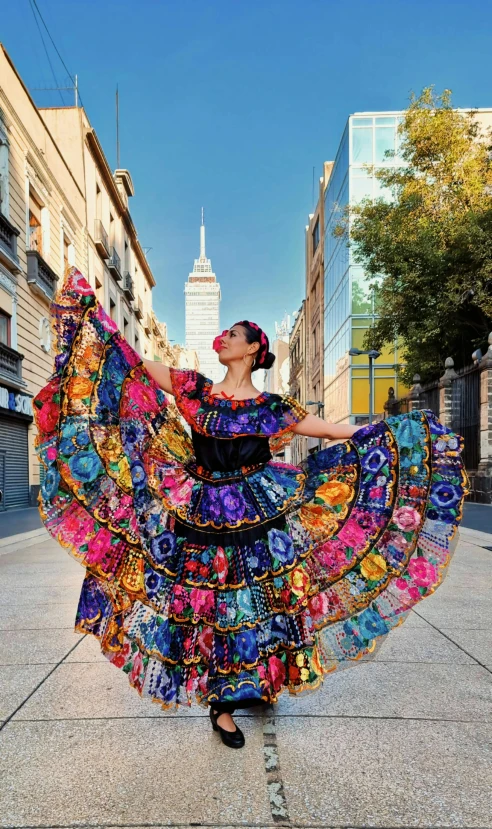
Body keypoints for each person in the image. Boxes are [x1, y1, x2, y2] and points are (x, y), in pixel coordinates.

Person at [34, 267, 467, 750]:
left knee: (264, 599)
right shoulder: (193, 388)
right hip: (201, 506)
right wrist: (95, 321)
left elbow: (324, 430)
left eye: (233, 335)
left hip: (260, 505)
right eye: (224, 333)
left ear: (252, 350)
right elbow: (133, 365)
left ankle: (258, 681)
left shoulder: (270, 405)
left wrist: (381, 434)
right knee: (214, 602)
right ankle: (222, 704)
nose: (223, 338)